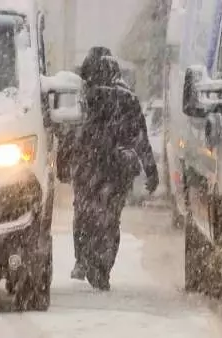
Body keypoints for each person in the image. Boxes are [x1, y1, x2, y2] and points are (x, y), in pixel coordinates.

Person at [69, 47, 159, 290]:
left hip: (87, 168)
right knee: (110, 219)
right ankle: (103, 267)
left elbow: (70, 134)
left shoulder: (83, 98)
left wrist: (64, 162)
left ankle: (83, 259)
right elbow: (140, 138)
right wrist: (150, 171)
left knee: (83, 214)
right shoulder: (127, 99)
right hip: (117, 171)